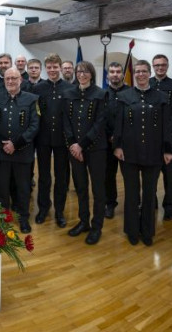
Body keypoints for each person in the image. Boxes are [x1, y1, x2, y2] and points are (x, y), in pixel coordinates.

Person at [114, 60, 172, 246]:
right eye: (137, 71)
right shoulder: (124, 96)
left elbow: (167, 126)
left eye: (144, 71)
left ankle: (147, 231)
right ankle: (132, 230)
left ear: (150, 73)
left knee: (149, 193)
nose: (140, 74)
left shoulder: (161, 97)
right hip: (129, 153)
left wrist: (168, 149)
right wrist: (117, 146)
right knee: (132, 194)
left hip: (153, 153)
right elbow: (119, 125)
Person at [0, 68, 39, 232]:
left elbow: (34, 126)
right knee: (2, 187)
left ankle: (24, 218)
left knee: (23, 188)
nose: (10, 81)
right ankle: (3, 217)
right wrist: (3, 144)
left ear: (20, 80)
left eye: (14, 78)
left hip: (22, 152)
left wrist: (15, 144)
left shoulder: (31, 99)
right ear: (4, 80)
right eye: (8, 78)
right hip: (1, 152)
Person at [63, 61, 108, 245]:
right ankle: (84, 221)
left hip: (96, 149)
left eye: (85, 71)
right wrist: (73, 145)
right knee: (81, 187)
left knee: (98, 189)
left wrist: (81, 145)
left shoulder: (101, 94)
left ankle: (97, 226)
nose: (82, 74)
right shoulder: (68, 94)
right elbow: (66, 122)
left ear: (91, 74)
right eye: (79, 71)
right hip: (75, 150)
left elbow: (100, 123)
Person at [32, 53, 72, 228]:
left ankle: (60, 211)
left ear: (60, 68)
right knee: (44, 177)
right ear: (45, 68)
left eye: (56, 67)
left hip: (62, 140)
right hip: (43, 139)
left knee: (61, 178)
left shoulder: (69, 89)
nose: (53, 70)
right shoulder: (38, 88)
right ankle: (43, 208)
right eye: (49, 67)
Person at [150, 54, 172, 221]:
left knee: (169, 175)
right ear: (152, 66)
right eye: (157, 65)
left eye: (163, 65)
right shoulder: (146, 84)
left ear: (167, 66)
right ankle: (151, 202)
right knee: (150, 173)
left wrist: (164, 131)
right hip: (148, 139)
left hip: (168, 138)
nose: (160, 68)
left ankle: (169, 206)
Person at [104, 62, 129, 219]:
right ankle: (110, 204)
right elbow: (100, 118)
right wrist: (110, 135)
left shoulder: (131, 93)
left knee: (129, 175)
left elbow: (132, 118)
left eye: (118, 71)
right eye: (112, 72)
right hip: (106, 143)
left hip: (126, 143)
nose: (115, 74)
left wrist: (119, 136)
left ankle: (133, 203)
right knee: (108, 176)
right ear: (107, 76)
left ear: (122, 74)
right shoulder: (102, 94)